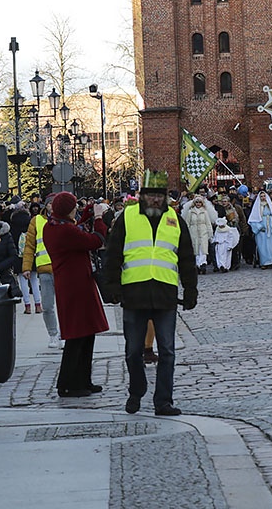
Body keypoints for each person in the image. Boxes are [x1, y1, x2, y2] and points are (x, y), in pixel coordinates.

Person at [103, 169, 198, 416]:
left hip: (165, 294)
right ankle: (137, 389)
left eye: (159, 195)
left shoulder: (176, 219)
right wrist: (111, 287)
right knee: (133, 350)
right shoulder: (128, 217)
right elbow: (113, 254)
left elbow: (186, 258)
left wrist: (190, 290)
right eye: (151, 195)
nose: (155, 200)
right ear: (142, 196)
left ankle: (163, 401)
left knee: (167, 351)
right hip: (134, 294)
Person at [41, 192, 109, 398]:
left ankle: (83, 380)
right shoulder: (64, 230)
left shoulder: (52, 225)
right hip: (76, 286)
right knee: (77, 336)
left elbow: (74, 228)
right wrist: (98, 219)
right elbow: (95, 240)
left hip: (74, 284)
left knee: (86, 334)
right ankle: (69, 383)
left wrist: (85, 214)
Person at [21, 195, 63, 349]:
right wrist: (26, 267)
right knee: (47, 305)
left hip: (62, 268)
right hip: (44, 268)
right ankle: (53, 334)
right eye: (50, 204)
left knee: (64, 304)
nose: (52, 206)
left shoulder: (65, 219)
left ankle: (63, 334)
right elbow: (29, 245)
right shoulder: (36, 220)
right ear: (46, 206)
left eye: (55, 203)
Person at [248, 190, 272, 269]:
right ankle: (264, 262)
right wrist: (259, 227)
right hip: (262, 229)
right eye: (261, 196)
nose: (263, 198)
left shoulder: (270, 206)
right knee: (262, 246)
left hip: (271, 228)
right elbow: (253, 219)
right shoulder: (257, 207)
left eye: (264, 196)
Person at [184, 194, 215, 274]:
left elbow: (208, 223)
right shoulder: (190, 212)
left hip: (203, 232)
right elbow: (187, 223)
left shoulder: (205, 212)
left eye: (200, 202)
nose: (198, 204)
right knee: (196, 250)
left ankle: (203, 264)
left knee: (203, 249)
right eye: (197, 202)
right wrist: (186, 234)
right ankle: (197, 265)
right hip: (193, 232)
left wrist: (210, 234)